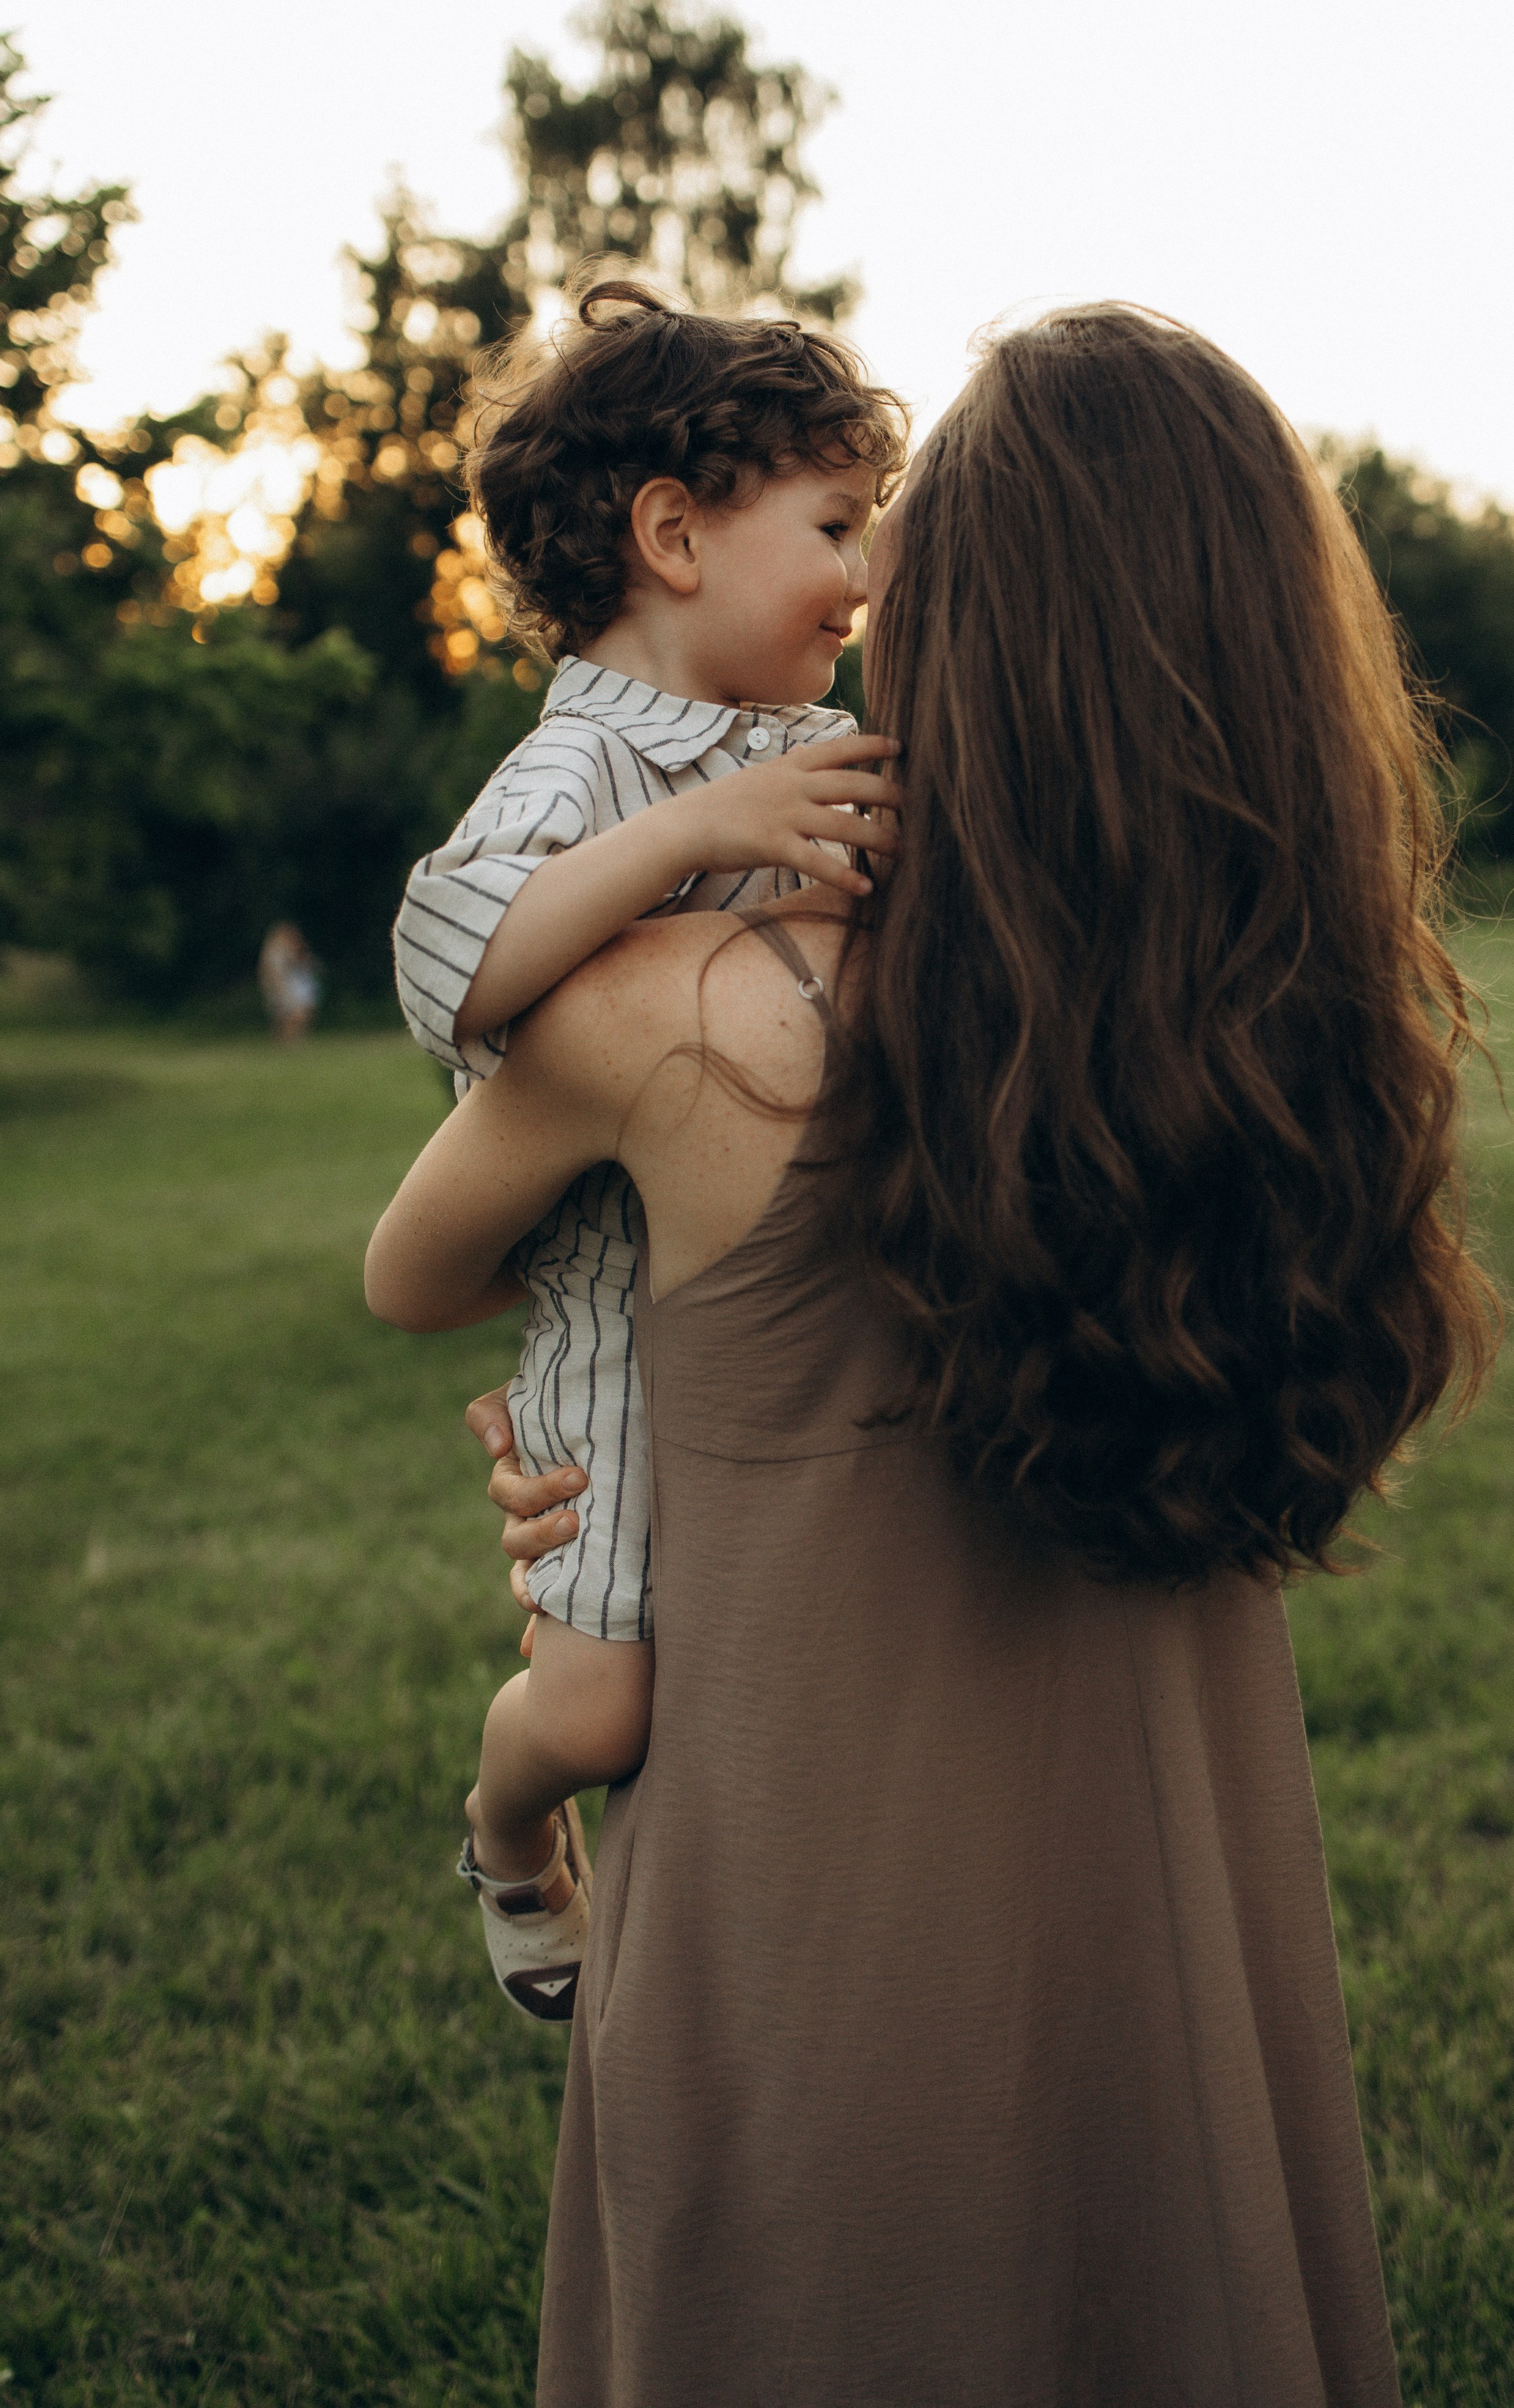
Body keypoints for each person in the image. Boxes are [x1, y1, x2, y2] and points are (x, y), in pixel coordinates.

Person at [367, 303, 1495, 2404]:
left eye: (897, 542)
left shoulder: (687, 1013)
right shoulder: (1259, 1034)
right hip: (1175, 1942)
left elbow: (420, 1271)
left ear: (970, 627)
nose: (865, 578)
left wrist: (604, 1376)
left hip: (816, 1944)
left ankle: (499, 1834)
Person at [385, 281, 907, 2012]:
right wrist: (698, 830)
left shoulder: (806, 743)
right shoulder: (578, 769)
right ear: (673, 537)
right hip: (608, 1327)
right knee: (606, 1705)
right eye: (832, 525)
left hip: (774, 1304)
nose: (862, 572)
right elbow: (448, 961)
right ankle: (504, 1825)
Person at [257, 921, 321, 1042]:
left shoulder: (286, 950)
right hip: (280, 986)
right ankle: (287, 1041)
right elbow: (271, 973)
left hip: (287, 985)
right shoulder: (274, 953)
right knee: (291, 1014)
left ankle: (287, 1040)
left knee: (291, 1015)